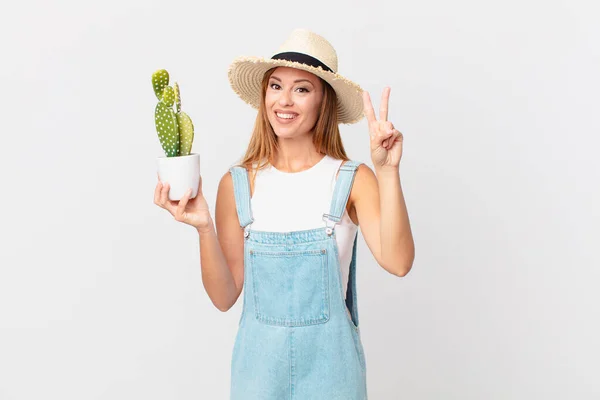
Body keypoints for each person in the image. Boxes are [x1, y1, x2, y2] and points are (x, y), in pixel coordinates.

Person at [154, 28, 415, 400]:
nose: (284, 101)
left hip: (333, 381)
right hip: (257, 381)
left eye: (302, 89)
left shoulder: (353, 179)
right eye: (275, 86)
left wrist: (388, 172)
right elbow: (224, 297)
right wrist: (204, 228)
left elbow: (399, 261)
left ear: (323, 101)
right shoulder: (238, 183)